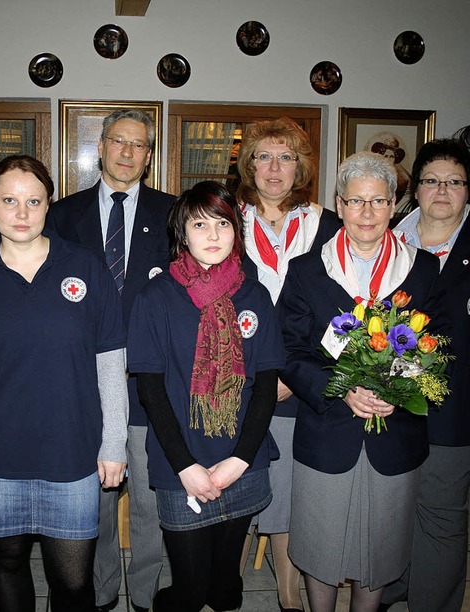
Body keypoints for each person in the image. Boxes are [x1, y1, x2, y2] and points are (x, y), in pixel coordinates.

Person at [0, 155, 129, 612]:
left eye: (33, 201)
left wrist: (115, 443)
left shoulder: (86, 267)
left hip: (71, 450)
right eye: (9, 200)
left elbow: (110, 362)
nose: (21, 213)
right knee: (5, 564)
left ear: (49, 205)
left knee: (73, 579)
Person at [278, 151, 443, 612]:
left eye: (377, 201)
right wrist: (341, 390)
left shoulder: (423, 269)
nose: (366, 213)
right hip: (328, 429)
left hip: (396, 435)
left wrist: (396, 386)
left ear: (395, 204)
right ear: (339, 203)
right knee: (320, 542)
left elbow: (440, 344)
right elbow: (290, 352)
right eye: (355, 201)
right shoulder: (308, 270)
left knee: (382, 546)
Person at [127, 180, 285, 611]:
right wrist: (186, 466)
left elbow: (266, 387)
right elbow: (151, 391)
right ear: (182, 233)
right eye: (200, 225)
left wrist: (239, 460)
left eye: (223, 224)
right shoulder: (155, 298)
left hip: (241, 457)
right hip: (182, 465)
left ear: (237, 231)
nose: (213, 236)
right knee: (191, 592)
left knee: (225, 590)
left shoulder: (255, 294)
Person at [47, 109, 174, 612]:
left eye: (139, 144)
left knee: (148, 500)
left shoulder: (173, 213)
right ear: (100, 145)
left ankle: (146, 596)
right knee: (93, 505)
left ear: (149, 154)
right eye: (119, 141)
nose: (127, 152)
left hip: (150, 386)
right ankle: (97, 596)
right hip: (84, 387)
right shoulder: (61, 214)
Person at [235, 116, 341, 612]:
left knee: (289, 488)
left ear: (300, 166)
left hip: (302, 381)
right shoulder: (225, 219)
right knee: (232, 476)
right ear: (249, 163)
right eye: (263, 155)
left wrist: (294, 376)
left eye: (286, 157)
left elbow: (345, 310)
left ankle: (288, 592)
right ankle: (224, 580)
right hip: (236, 377)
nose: (274, 168)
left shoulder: (327, 225)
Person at [381, 138, 470, 611]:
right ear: (415, 189)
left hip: (453, 411)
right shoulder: (389, 238)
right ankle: (394, 588)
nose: (442, 190)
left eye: (455, 182)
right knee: (395, 512)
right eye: (432, 180)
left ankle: (432, 602)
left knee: (440, 514)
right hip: (390, 404)